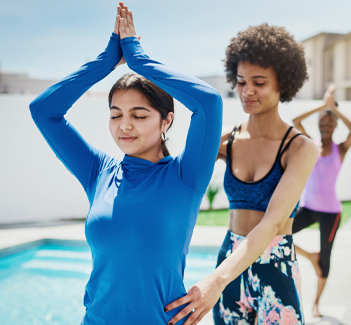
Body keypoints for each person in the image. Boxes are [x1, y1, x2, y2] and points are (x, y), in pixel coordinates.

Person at [29, 3, 222, 324]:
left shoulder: (186, 176)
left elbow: (208, 102)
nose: (124, 126)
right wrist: (105, 62)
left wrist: (138, 59)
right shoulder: (98, 171)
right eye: (115, 114)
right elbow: (43, 111)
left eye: (139, 114)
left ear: (166, 121)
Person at [164, 24, 318, 325]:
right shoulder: (226, 143)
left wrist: (216, 281)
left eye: (259, 82)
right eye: (241, 81)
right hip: (230, 255)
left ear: (283, 84)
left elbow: (273, 223)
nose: (247, 91)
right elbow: (172, 175)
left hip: (275, 265)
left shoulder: (300, 149)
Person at [291, 86, 351, 318]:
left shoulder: (341, 149)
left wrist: (332, 109)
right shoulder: (310, 144)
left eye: (330, 123)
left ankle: (316, 304)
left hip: (331, 212)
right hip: (308, 208)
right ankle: (310, 256)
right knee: (277, 233)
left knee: (325, 261)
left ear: (335, 124)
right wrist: (323, 106)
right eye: (323, 122)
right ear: (319, 123)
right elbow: (296, 120)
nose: (326, 126)